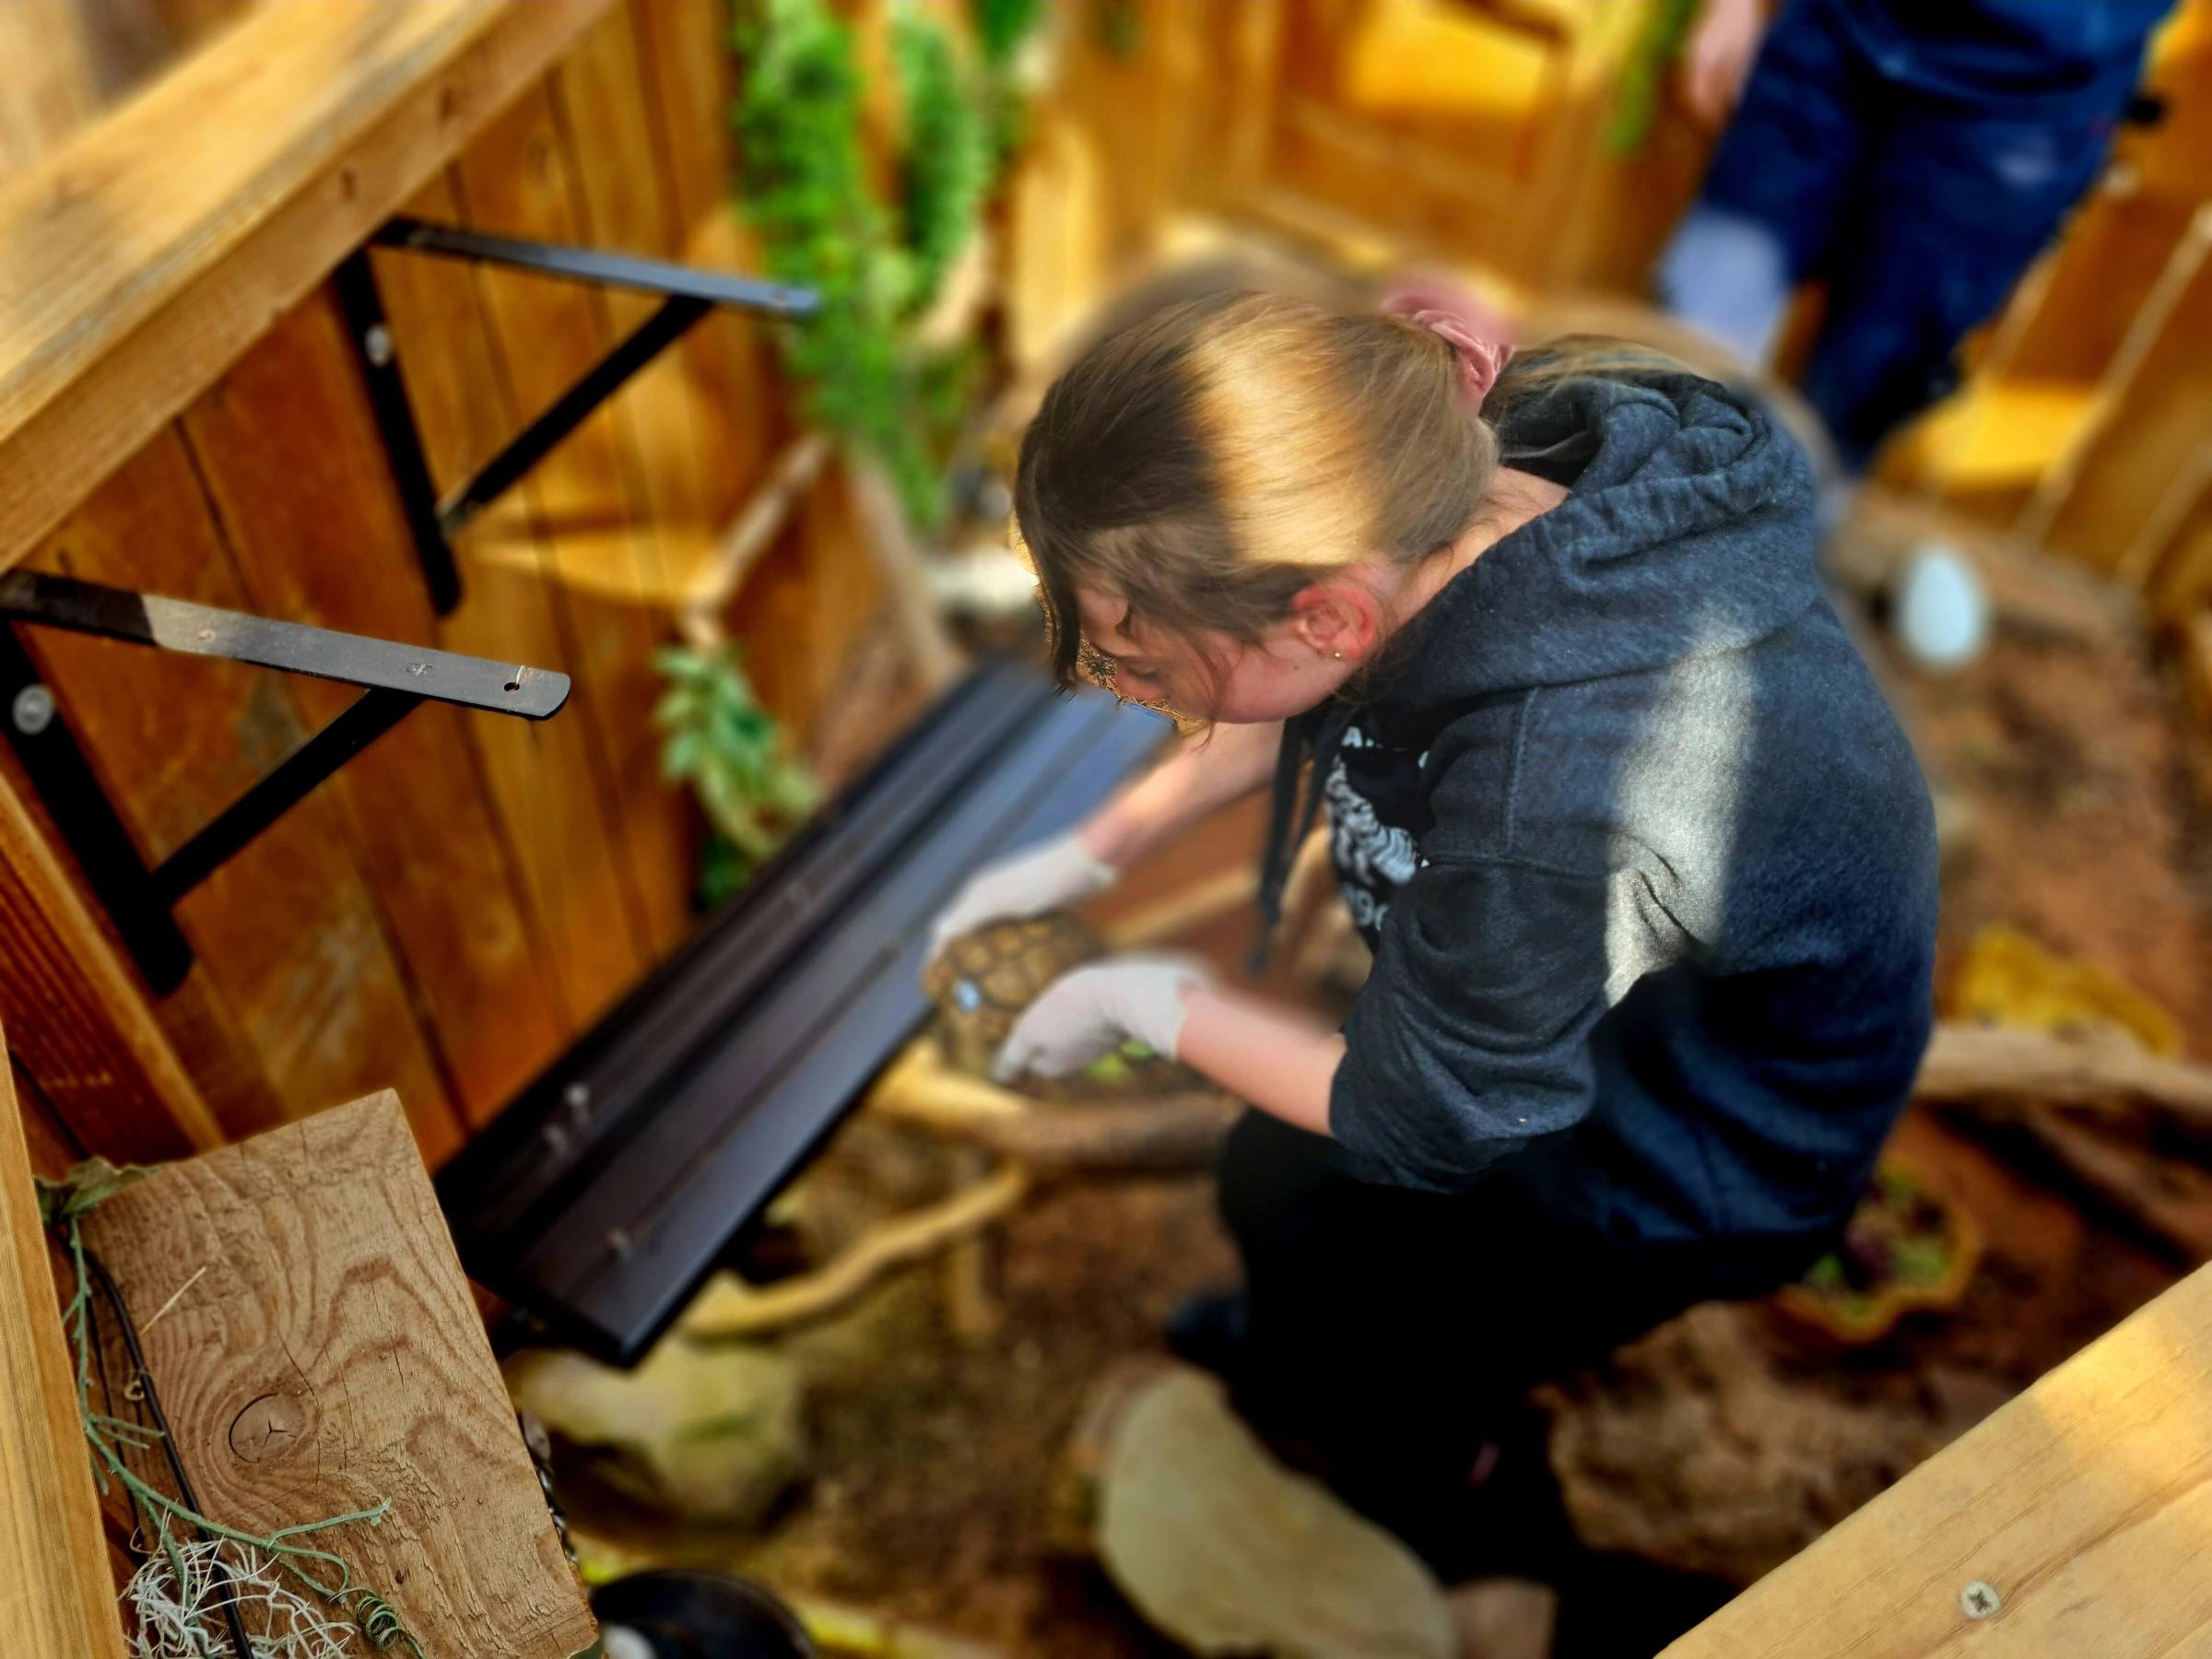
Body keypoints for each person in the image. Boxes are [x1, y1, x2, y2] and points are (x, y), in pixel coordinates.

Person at [927, 289, 1938, 1581]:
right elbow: (1282, 676)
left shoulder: (1561, 793)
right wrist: (1089, 851)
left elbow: (1423, 1112)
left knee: (1425, 1346)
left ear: (1332, 620)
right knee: (1275, 1189)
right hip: (1582, 998)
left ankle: (1452, 1493)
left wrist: (1143, 1004)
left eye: (1145, 662)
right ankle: (1295, 1346)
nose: (1132, 691)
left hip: (1685, 1138)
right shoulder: (1428, 478)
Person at [1659, 0, 2173, 473]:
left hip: (2032, 94)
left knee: (1861, 387)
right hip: (1835, 27)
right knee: (1693, 332)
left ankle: (1776, 551)